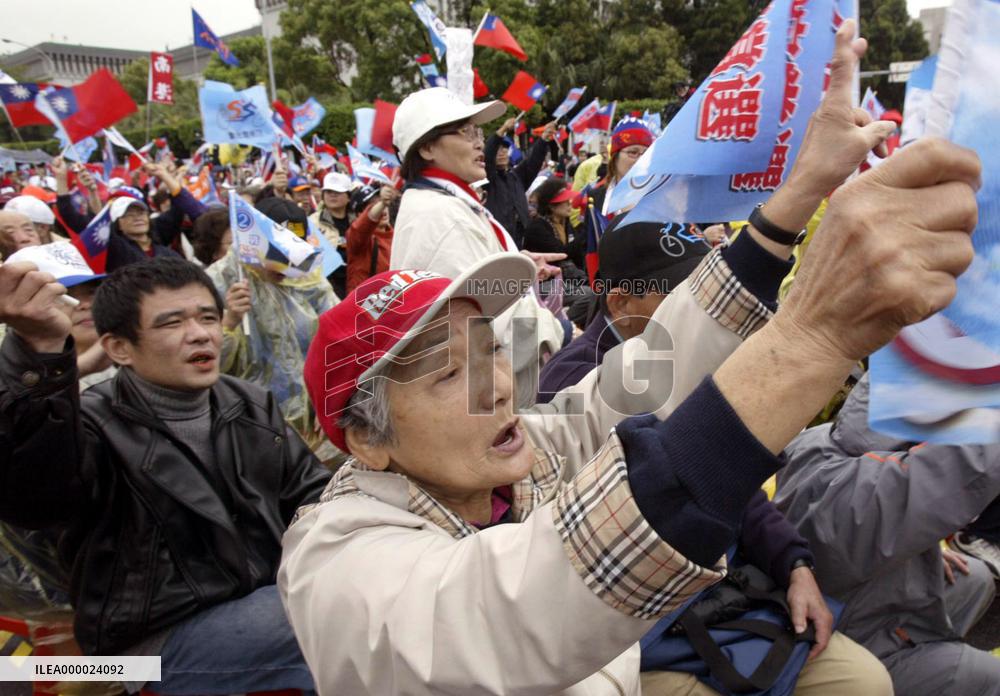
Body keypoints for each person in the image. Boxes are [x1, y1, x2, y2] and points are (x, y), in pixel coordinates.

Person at [278, 23, 978, 694]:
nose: (498, 386)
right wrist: (812, 339)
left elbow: (644, 376)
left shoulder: (511, 462)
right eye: (450, 373)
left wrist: (792, 200)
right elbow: (529, 595)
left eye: (491, 350)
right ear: (366, 439)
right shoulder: (341, 566)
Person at [0, 256, 331, 693]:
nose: (200, 333)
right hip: (151, 643)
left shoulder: (249, 402)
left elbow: (313, 496)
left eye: (208, 317)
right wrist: (40, 354)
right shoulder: (88, 428)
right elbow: (36, 499)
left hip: (263, 600)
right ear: (119, 348)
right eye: (172, 323)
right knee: (332, 624)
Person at [774, 374, 1000, 695]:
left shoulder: (821, 439)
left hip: (830, 592)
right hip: (827, 633)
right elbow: (962, 468)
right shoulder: (868, 490)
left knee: (974, 578)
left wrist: (921, 552)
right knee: (988, 676)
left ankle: (926, 655)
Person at [390, 86, 568, 400]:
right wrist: (559, 330)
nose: (478, 143)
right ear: (427, 148)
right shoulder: (439, 216)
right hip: (490, 394)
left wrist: (515, 266)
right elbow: (486, 326)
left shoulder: (443, 202)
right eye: (466, 132)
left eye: (478, 132)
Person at [208, 197, 340, 462]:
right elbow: (205, 367)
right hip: (254, 429)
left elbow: (339, 339)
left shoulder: (310, 277)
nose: (287, 265)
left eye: (294, 255)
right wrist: (230, 322)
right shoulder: (218, 282)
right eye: (278, 255)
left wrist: (331, 396)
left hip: (319, 429)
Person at [536, 218, 710, 401]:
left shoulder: (665, 349)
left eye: (705, 285)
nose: (701, 303)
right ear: (621, 304)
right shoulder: (576, 383)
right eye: (679, 293)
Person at [4, 241, 113, 389]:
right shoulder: (9, 378)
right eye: (63, 295)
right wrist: (75, 371)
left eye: (91, 292)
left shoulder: (135, 359)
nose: (85, 304)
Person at [484, 116, 556, 248]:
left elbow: (532, 162)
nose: (501, 152)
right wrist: (503, 129)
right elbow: (488, 156)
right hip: (499, 242)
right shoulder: (487, 179)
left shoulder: (515, 177)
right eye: (497, 149)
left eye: (504, 148)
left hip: (521, 242)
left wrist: (543, 139)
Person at [345, 182, 400, 294]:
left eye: (384, 204)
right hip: (365, 301)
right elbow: (364, 224)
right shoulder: (356, 237)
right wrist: (382, 203)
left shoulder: (398, 236)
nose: (383, 210)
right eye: (373, 205)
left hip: (393, 298)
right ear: (360, 214)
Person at [309, 171, 353, 298]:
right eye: (328, 192)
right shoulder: (313, 222)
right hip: (328, 283)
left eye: (338, 192)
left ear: (348, 197)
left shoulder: (358, 221)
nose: (332, 195)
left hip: (355, 280)